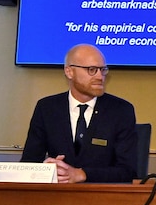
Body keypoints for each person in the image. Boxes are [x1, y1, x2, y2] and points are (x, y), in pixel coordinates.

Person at [20, 44, 138, 183]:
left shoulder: (121, 110)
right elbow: (28, 164)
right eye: (92, 70)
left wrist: (81, 174)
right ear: (69, 72)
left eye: (103, 70)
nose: (100, 76)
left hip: (103, 198)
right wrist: (47, 170)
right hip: (56, 198)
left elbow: (128, 171)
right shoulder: (47, 108)